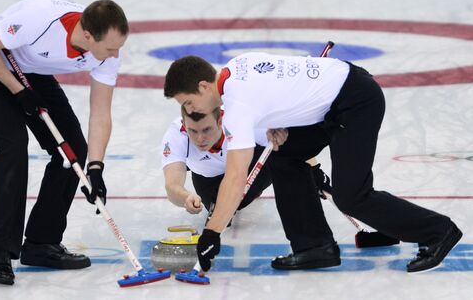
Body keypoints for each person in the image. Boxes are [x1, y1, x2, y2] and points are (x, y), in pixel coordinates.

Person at [163, 53, 462, 274]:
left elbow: (236, 177)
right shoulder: (235, 67)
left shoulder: (238, 105)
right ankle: (314, 246)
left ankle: (438, 231)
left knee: (352, 195)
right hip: (333, 99)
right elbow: (284, 88)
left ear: (204, 86)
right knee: (283, 153)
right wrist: (279, 122)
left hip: (355, 102)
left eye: (188, 102)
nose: (189, 110)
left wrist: (212, 233)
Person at [0, 0, 128, 285]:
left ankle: (41, 242)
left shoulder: (108, 51)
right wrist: (17, 91)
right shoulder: (38, 19)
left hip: (30, 72)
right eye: (110, 48)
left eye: (118, 47)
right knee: (12, 146)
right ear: (87, 35)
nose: (115, 55)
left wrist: (96, 168)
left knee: (73, 148)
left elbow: (101, 112)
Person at [162, 105, 340, 270]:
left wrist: (313, 171)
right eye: (193, 131)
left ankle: (311, 243)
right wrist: (185, 197)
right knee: (222, 213)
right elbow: (172, 185)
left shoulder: (238, 118)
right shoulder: (176, 133)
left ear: (219, 120)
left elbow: (282, 142)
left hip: (251, 164)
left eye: (206, 130)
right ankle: (228, 202)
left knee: (276, 155)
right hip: (209, 181)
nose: (200, 138)